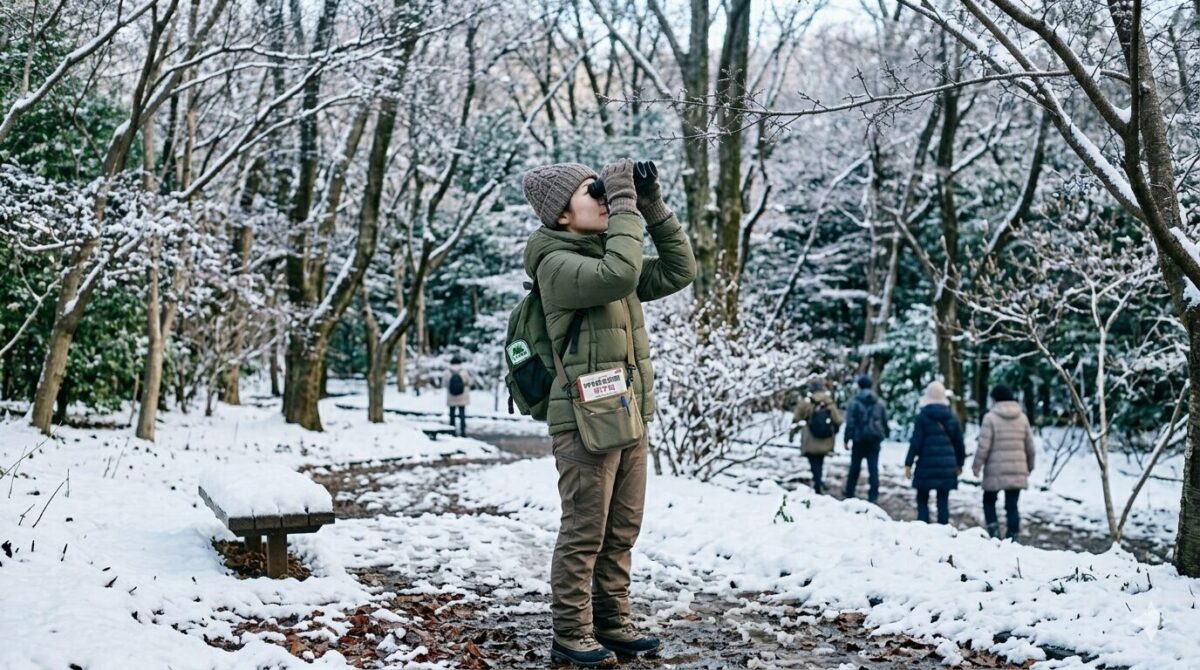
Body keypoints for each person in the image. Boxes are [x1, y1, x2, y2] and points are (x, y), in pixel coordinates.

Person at [522, 158, 696, 667]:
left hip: (626, 414)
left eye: (602, 193)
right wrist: (621, 199)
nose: (602, 199)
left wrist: (651, 205)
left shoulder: (603, 256)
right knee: (584, 531)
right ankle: (572, 631)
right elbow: (620, 273)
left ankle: (612, 621)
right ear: (560, 216)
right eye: (591, 193)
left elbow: (680, 270)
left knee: (621, 529)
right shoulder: (558, 264)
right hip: (582, 423)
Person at [972, 384, 1036, 540]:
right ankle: (1013, 536)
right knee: (1012, 506)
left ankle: (993, 532)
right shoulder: (1022, 418)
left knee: (989, 501)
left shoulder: (990, 418)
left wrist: (976, 466)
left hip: (995, 470)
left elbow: (983, 446)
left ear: (995, 399)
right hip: (1017, 469)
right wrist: (1030, 466)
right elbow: (1030, 447)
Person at [904, 381, 966, 525]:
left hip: (926, 464)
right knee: (943, 500)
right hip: (947, 466)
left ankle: (923, 526)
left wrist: (908, 463)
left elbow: (915, 443)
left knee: (922, 498)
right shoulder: (952, 417)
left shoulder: (922, 417)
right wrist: (960, 464)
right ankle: (943, 529)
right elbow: (959, 444)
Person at [789, 379, 842, 495]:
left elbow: (796, 420)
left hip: (810, 439)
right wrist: (834, 431)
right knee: (820, 460)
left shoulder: (806, 403)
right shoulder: (829, 403)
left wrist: (792, 435)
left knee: (813, 461)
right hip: (825, 440)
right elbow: (838, 420)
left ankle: (817, 482)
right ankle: (818, 481)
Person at [843, 374, 889, 503]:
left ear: (859, 386)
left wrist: (847, 439)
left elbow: (850, 422)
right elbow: (884, 421)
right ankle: (873, 495)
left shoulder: (854, 402)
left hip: (859, 439)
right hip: (874, 439)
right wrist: (885, 434)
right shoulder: (879, 402)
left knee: (855, 467)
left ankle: (850, 492)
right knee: (873, 468)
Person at [444, 355, 471, 437]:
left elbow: (444, 384)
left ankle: (452, 432)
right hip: (462, 396)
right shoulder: (464, 372)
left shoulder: (447, 372)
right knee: (462, 414)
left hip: (451, 396)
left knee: (452, 415)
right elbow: (469, 382)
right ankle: (463, 432)